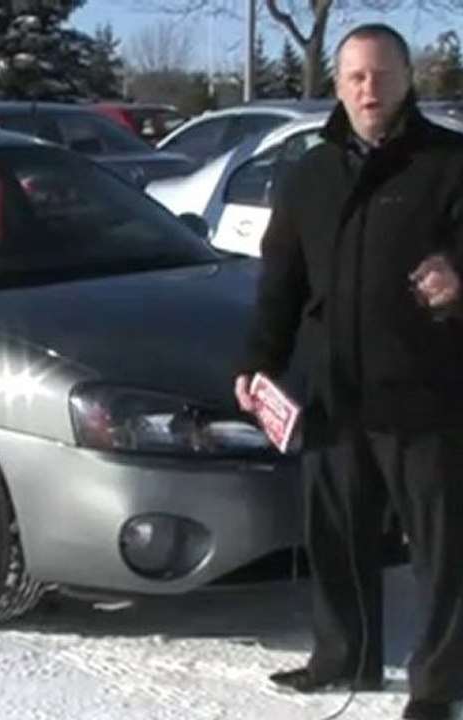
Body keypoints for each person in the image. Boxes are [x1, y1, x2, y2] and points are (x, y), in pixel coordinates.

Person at [234, 23, 463, 720]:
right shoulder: (311, 172)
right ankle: (343, 656)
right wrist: (259, 361)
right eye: (357, 77)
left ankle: (436, 684)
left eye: (383, 75)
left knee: (442, 547)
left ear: (408, 78)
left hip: (427, 391)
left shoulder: (449, 162)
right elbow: (282, 282)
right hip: (335, 392)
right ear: (337, 84)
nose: (371, 89)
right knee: (335, 534)